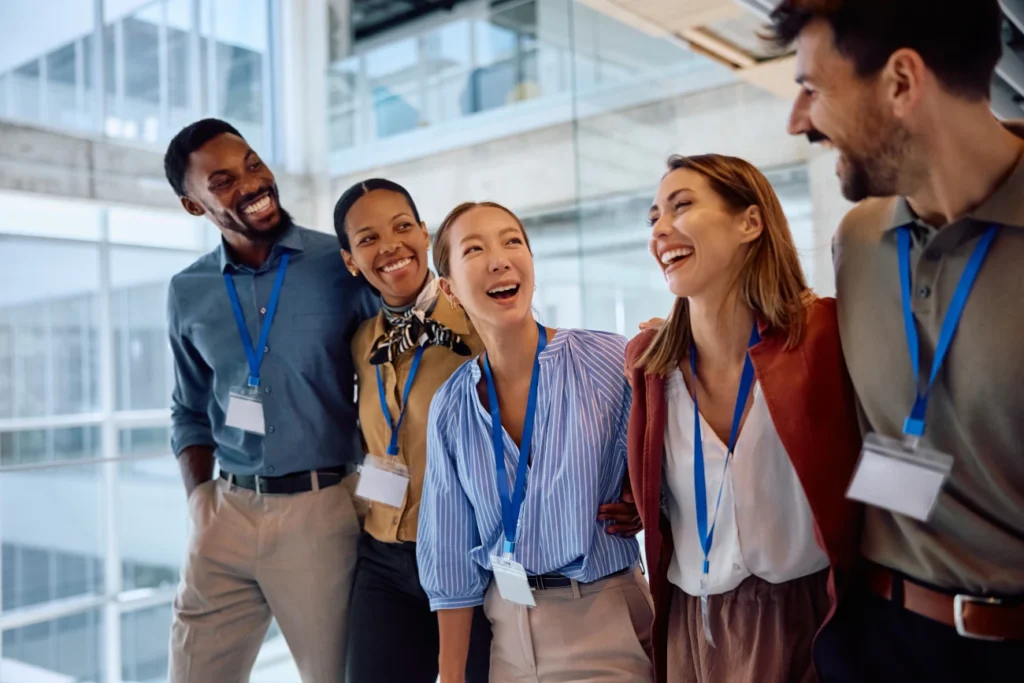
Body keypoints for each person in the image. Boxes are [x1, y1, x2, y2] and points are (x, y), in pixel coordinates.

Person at [771, 0, 1024, 679]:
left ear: (902, 82)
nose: (798, 120)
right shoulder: (857, 239)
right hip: (872, 636)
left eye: (812, 89)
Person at [626, 154, 862, 683]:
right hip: (693, 628)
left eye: (681, 206)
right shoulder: (648, 364)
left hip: (809, 621)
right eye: (653, 218)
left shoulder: (823, 335)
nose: (661, 229)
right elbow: (648, 488)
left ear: (750, 223)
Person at [163, 118, 376, 683]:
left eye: (254, 163)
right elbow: (188, 409)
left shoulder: (343, 265)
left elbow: (395, 377)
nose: (253, 183)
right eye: (224, 180)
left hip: (321, 513)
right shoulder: (188, 291)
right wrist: (199, 504)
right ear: (194, 206)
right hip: (225, 512)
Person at [417, 201, 652, 683]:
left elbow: (670, 473)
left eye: (512, 242)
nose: (500, 259)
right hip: (508, 629)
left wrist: (647, 501)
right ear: (448, 289)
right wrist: (451, 675)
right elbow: (448, 558)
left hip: (603, 614)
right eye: (475, 249)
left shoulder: (606, 361)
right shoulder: (452, 406)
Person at [332, 179, 492, 682]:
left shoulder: (481, 322)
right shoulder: (363, 341)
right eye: (368, 239)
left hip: (469, 557)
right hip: (382, 555)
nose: (390, 246)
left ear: (425, 234)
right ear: (351, 260)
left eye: (403, 227)